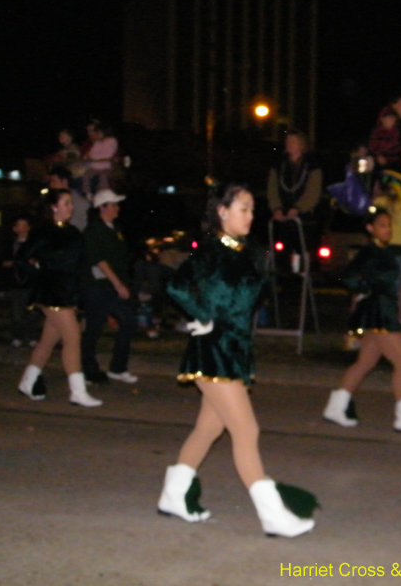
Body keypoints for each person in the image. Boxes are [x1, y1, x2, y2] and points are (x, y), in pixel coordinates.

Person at [157, 182, 317, 537]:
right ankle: (273, 516)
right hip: (213, 351)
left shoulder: (249, 252)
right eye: (242, 208)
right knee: (246, 430)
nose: (250, 215)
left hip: (236, 348)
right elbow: (176, 286)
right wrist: (202, 316)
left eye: (251, 209)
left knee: (209, 427)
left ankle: (173, 494)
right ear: (222, 211)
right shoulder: (209, 252)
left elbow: (253, 293)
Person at [323, 207, 401, 436]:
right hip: (380, 311)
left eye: (389, 225)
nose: (388, 229)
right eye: (382, 225)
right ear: (370, 228)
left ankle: (336, 407)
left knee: (364, 363)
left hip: (380, 309)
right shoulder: (369, 252)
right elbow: (347, 276)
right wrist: (365, 289)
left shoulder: (384, 250)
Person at [15, 188, 102, 408]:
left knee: (48, 339)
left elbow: (82, 263)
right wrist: (41, 272)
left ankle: (27, 381)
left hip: (69, 292)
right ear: (54, 206)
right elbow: (22, 259)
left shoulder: (74, 232)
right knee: (73, 337)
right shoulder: (43, 232)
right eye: (66, 203)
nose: (70, 207)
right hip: (51, 291)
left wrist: (85, 290)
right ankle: (77, 391)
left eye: (71, 203)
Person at [81, 190, 138, 385]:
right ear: (102, 207)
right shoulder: (94, 230)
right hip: (98, 286)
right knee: (94, 329)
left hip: (112, 285)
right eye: (113, 205)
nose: (117, 208)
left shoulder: (114, 228)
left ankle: (118, 367)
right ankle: (88, 370)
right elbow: (100, 261)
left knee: (129, 321)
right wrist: (118, 284)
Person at [267, 129, 323, 253]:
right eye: (288, 141)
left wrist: (299, 207)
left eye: (293, 141)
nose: (289, 144)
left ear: (301, 144)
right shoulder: (278, 164)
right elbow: (272, 189)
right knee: (282, 249)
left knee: (305, 249)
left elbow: (313, 190)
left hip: (306, 217)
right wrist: (276, 208)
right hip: (283, 214)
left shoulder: (312, 164)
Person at [0, 215, 40, 348]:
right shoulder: (10, 245)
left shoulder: (34, 245)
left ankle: (33, 337)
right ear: (14, 228)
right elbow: (4, 262)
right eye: (19, 226)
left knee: (33, 313)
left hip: (32, 283)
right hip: (15, 284)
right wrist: (20, 263)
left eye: (25, 225)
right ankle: (17, 336)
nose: (22, 229)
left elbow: (39, 262)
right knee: (17, 313)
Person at [47, 165, 90, 231]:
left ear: (65, 182)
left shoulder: (79, 203)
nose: (51, 185)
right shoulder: (50, 199)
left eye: (54, 182)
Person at [81, 124, 118, 195]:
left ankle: (105, 195)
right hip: (94, 166)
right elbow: (90, 153)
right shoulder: (97, 142)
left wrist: (93, 157)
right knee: (86, 176)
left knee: (103, 177)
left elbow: (107, 155)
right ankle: (88, 195)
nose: (97, 134)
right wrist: (88, 156)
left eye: (98, 132)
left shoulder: (111, 141)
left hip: (105, 166)